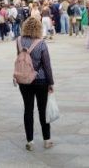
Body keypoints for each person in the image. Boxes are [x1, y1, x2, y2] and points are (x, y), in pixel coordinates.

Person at [16, 17, 55, 151]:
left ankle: (30, 140)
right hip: (40, 80)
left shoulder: (19, 41)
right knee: (42, 110)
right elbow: (47, 65)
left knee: (28, 109)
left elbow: (20, 59)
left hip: (24, 79)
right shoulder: (41, 43)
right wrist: (51, 82)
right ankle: (47, 139)